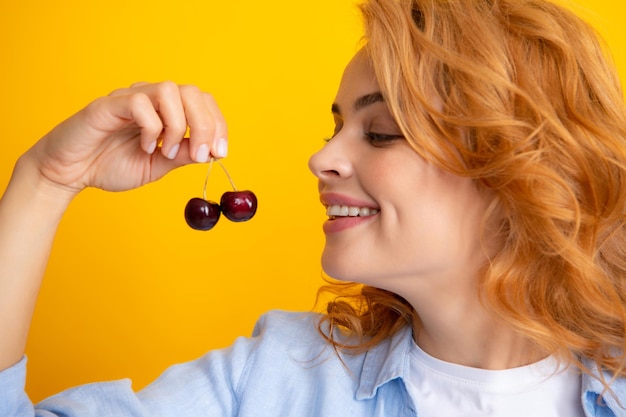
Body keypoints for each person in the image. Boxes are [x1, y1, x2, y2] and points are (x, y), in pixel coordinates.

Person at [1, 0, 625, 415]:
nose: (321, 159)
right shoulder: (275, 380)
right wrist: (45, 180)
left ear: (520, 169)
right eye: (333, 128)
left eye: (380, 131)